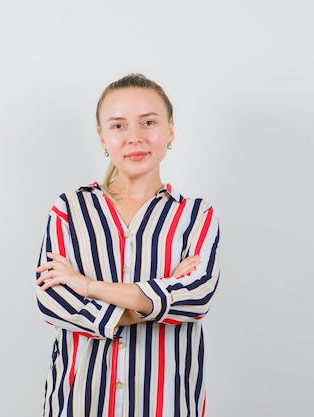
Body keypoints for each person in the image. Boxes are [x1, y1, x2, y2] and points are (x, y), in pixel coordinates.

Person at [35, 73, 220, 417]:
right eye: (118, 126)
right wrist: (157, 302)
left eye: (148, 122)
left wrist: (87, 286)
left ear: (170, 131)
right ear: (102, 138)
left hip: (168, 405)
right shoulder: (69, 210)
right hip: (79, 403)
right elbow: (54, 302)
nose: (134, 138)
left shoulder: (196, 216)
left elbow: (195, 299)